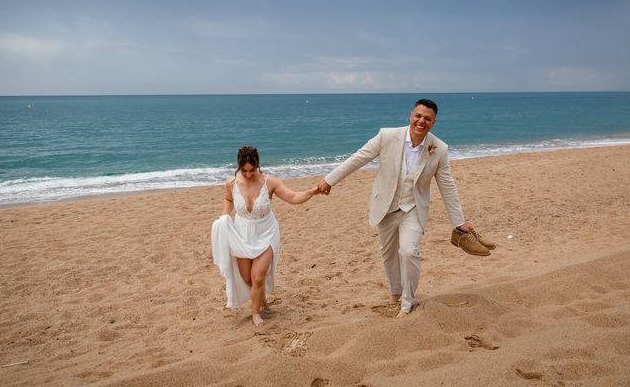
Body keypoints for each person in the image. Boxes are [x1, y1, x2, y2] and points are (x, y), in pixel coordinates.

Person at [317, 99, 495, 317]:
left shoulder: (439, 149)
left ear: (434, 123)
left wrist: (459, 222)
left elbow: (447, 186)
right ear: (411, 115)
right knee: (388, 255)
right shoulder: (387, 136)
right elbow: (358, 158)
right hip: (385, 206)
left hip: (413, 209)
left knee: (409, 252)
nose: (421, 121)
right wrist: (329, 180)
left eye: (427, 118)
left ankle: (407, 302)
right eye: (418, 116)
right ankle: (395, 292)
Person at [211, 146, 320, 327]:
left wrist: (312, 191)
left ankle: (255, 313)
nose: (248, 175)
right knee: (247, 278)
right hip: (242, 233)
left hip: (266, 232)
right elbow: (228, 199)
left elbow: (292, 197)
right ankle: (261, 298)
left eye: (252, 170)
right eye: (244, 171)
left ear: (258, 165)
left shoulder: (270, 182)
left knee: (258, 276)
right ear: (239, 167)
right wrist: (224, 217)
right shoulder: (231, 183)